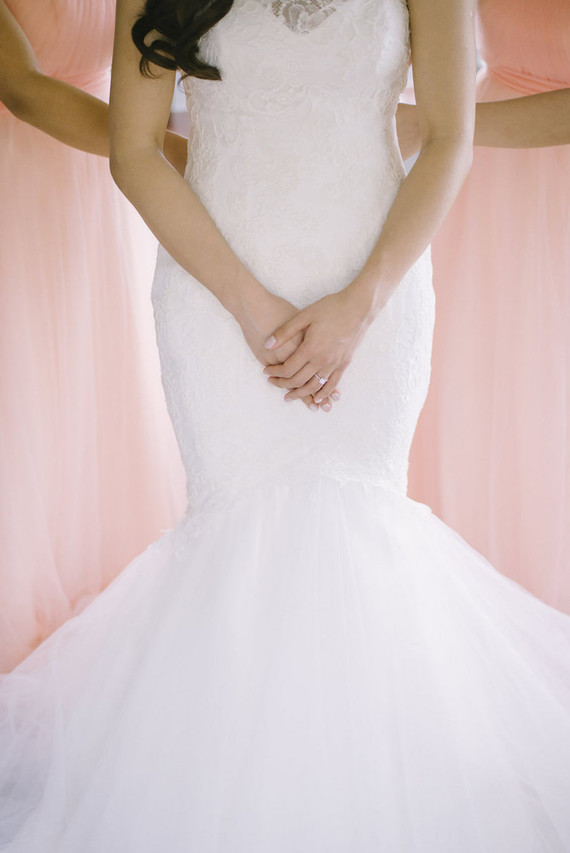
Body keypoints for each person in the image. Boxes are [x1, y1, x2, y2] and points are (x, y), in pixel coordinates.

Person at [1, 0, 570, 850]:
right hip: (215, 285)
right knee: (238, 538)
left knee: (360, 527)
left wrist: (363, 300)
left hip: (375, 287)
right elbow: (133, 151)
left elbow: (449, 138)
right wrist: (248, 300)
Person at [0, 0, 187, 672]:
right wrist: (172, 151)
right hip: (21, 176)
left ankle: (98, 610)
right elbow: (22, 89)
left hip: (103, 193)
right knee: (21, 397)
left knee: (98, 384)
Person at [402, 0, 570, 613]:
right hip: (486, 182)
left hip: (506, 148)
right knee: (471, 379)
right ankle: (464, 590)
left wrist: (435, 123)